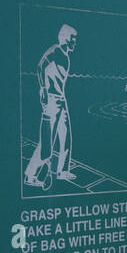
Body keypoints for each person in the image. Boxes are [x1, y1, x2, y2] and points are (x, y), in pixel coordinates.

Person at [24, 24, 78, 189]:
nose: (75, 43)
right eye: (72, 40)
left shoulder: (66, 57)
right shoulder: (55, 51)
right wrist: (42, 89)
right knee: (47, 141)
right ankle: (30, 174)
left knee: (66, 136)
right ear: (65, 39)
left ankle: (62, 171)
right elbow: (40, 66)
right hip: (52, 101)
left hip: (62, 99)